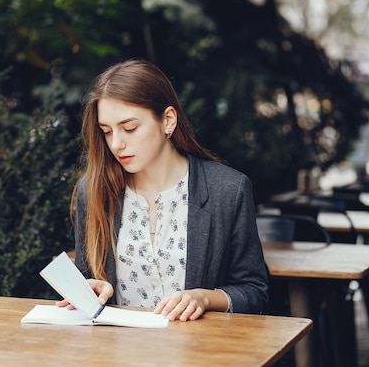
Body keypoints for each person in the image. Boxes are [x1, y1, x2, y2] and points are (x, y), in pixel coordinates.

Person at [58, 58, 268, 321]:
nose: (116, 144)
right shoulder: (95, 190)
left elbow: (254, 291)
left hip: (198, 355)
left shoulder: (227, 190)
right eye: (106, 131)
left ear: (168, 120)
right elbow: (88, 283)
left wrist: (203, 297)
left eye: (130, 128)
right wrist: (95, 291)